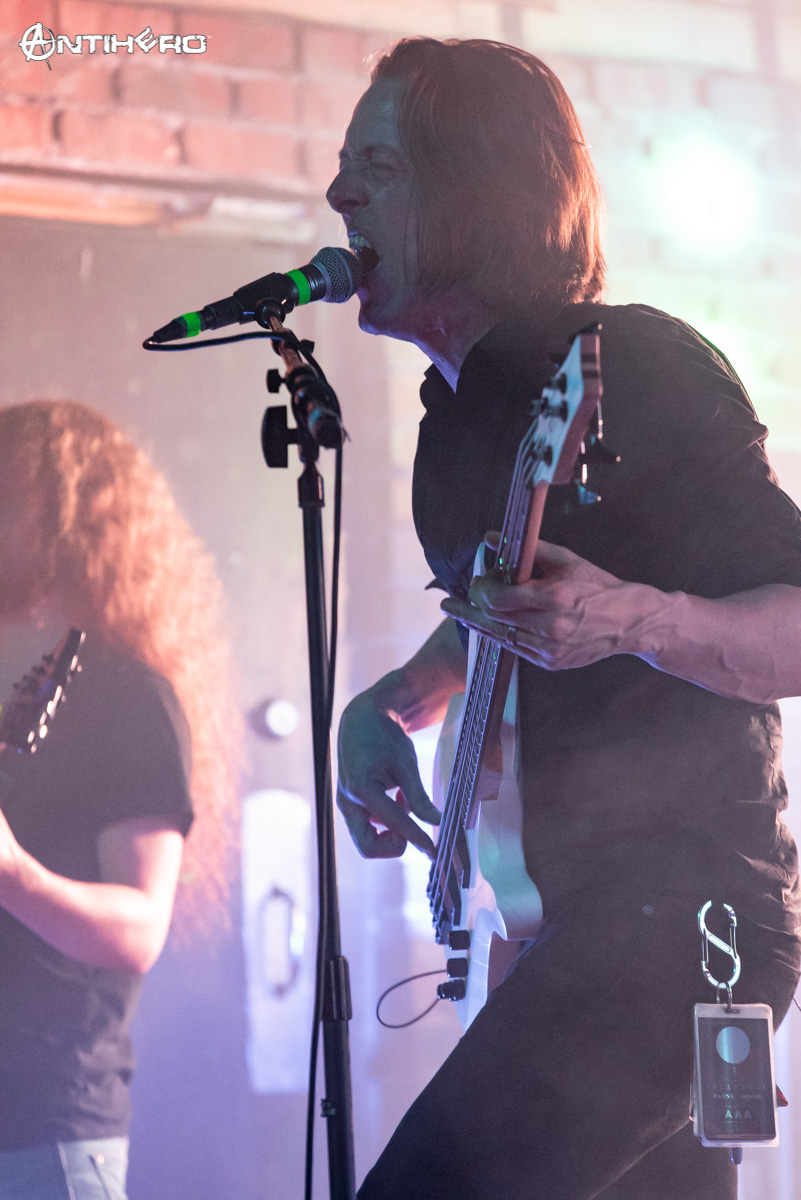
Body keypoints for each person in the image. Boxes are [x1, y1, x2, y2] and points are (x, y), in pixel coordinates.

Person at [329, 37, 801, 1200]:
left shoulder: (635, 363)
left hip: (685, 916)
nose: (338, 196)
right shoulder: (448, 429)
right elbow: (502, 620)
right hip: (553, 923)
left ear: (476, 189)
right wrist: (394, 702)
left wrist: (635, 620)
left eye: (377, 168)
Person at [0, 399, 237, 1200]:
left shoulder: (125, 695)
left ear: (66, 523)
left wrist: (13, 874)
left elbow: (138, 929)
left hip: (44, 1135)